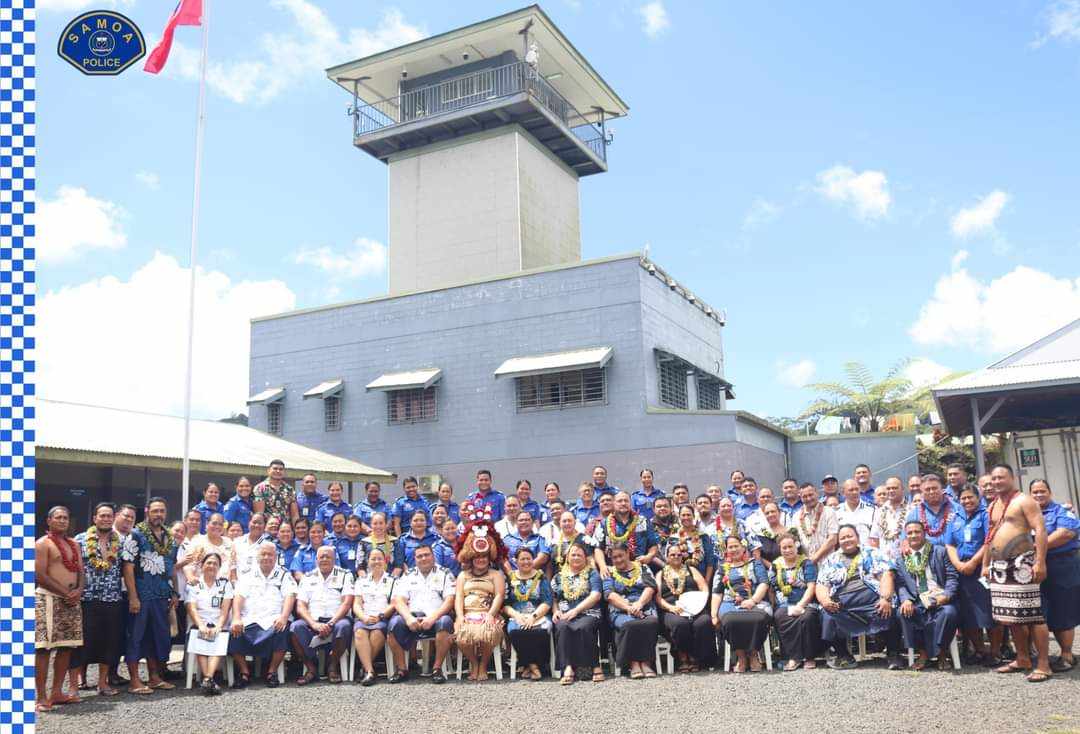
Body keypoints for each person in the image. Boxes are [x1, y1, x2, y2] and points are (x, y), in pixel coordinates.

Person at [816, 524, 901, 670]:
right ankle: (844, 656)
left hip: (871, 599)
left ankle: (893, 654)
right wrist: (825, 600)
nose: (847, 540)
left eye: (850, 536)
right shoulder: (831, 560)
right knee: (826, 615)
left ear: (857, 537)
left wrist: (885, 598)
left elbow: (887, 575)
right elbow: (821, 584)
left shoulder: (872, 553)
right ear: (838, 541)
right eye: (843, 538)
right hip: (843, 603)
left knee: (890, 608)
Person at [121, 497, 179, 694]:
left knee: (157, 637)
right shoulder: (135, 535)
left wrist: (173, 592)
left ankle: (154, 677)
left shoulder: (169, 537)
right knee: (136, 637)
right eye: (155, 511)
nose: (159, 515)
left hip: (161, 595)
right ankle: (135, 680)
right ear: (147, 511)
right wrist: (133, 597)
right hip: (142, 595)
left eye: (162, 511)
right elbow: (127, 567)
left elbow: (170, 568)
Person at [944, 484, 1001, 666]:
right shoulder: (955, 517)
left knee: (990, 612)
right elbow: (949, 544)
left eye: (970, 497)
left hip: (982, 569)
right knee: (968, 614)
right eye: (963, 498)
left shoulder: (986, 515)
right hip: (961, 570)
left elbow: (989, 541)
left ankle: (995, 652)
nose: (967, 501)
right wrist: (959, 564)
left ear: (978, 497)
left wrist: (973, 563)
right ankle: (980, 651)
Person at [71, 503, 124, 697]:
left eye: (109, 516)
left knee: (109, 642)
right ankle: (75, 686)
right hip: (87, 598)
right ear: (94, 518)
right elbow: (73, 568)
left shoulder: (120, 541)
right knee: (82, 642)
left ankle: (102, 683)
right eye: (102, 515)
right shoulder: (80, 540)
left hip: (112, 598)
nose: (106, 519)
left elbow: (125, 569)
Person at [35, 506, 85, 712]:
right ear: (49, 521)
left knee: (66, 647)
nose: (63, 521)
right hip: (48, 599)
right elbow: (41, 576)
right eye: (58, 518)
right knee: (44, 648)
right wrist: (66, 593)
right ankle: (41, 697)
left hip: (72, 600)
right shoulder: (42, 543)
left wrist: (79, 590)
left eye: (65, 517)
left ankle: (57, 692)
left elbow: (81, 572)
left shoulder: (74, 544)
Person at [229, 543, 296, 688]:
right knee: (233, 631)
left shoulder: (284, 575)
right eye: (263, 554)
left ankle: (271, 672)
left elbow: (290, 596)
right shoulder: (247, 575)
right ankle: (244, 672)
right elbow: (238, 597)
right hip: (250, 618)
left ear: (275, 557)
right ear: (257, 557)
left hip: (274, 618)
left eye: (270, 554)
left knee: (283, 629)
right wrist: (236, 617)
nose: (266, 557)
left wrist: (284, 617)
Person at [1029, 478, 1079, 672]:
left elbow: (1067, 533)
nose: (1039, 495)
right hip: (1035, 566)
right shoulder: (1028, 514)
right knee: (1041, 611)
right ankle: (1042, 655)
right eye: (1035, 492)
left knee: (1063, 610)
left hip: (1061, 564)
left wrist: (1037, 546)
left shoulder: (1062, 511)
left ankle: (1067, 654)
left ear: (1050, 492)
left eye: (1042, 491)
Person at [895, 520, 960, 670]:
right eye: (910, 533)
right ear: (906, 536)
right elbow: (901, 584)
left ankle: (942, 654)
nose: (913, 535)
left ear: (924, 533)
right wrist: (905, 600)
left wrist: (947, 595)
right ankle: (923, 653)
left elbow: (952, 576)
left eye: (917, 532)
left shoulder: (939, 551)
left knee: (949, 613)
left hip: (940, 597)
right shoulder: (901, 559)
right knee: (902, 613)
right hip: (917, 599)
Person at [388, 544, 455, 683]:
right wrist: (408, 618)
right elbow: (399, 600)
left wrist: (432, 618)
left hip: (436, 617)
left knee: (446, 622)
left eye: (426, 555)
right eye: (419, 556)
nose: (423, 558)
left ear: (433, 556)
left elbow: (450, 601)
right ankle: (402, 669)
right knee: (393, 624)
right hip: (412, 618)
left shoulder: (445, 573)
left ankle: (436, 669)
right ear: (415, 558)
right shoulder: (408, 574)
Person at [289, 545, 355, 684]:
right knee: (295, 627)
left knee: (343, 627)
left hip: (337, 619)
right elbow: (300, 606)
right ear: (316, 560)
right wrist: (314, 624)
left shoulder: (345, 575)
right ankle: (311, 668)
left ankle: (332, 666)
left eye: (328, 556)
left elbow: (346, 603)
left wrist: (331, 623)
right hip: (313, 621)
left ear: (335, 559)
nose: (324, 559)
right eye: (321, 557)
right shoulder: (307, 577)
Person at [712, 536, 771, 672]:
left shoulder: (755, 563)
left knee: (758, 618)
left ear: (743, 547)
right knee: (730, 620)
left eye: (736, 546)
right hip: (730, 603)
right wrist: (714, 614)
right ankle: (741, 657)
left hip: (755, 600)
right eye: (730, 547)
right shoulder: (722, 568)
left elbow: (764, 583)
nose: (734, 549)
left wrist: (752, 601)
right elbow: (717, 592)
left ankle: (753, 655)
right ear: (726, 550)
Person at [655, 541, 713, 672]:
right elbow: (658, 597)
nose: (676, 557)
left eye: (679, 554)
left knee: (704, 622)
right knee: (680, 624)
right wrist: (670, 608)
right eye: (672, 554)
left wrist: (699, 604)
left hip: (695, 608)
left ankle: (697, 657)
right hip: (671, 609)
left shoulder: (691, 570)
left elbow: (704, 587)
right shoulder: (660, 574)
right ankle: (682, 658)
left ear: (683, 556)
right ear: (667, 557)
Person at [604, 543, 659, 678]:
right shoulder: (609, 572)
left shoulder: (642, 568)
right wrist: (629, 608)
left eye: (620, 556)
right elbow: (609, 594)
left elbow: (650, 587)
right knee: (629, 624)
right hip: (620, 609)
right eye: (614, 558)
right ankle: (633, 663)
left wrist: (639, 604)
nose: (618, 560)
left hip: (644, 606)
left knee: (650, 623)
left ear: (628, 553)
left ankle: (646, 663)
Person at [552, 542, 605, 684]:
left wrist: (575, 610)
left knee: (583, 627)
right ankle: (568, 667)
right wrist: (555, 611)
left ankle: (593, 665)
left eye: (579, 555)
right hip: (565, 613)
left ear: (585, 558)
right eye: (573, 555)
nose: (576, 557)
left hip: (588, 612)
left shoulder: (592, 573)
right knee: (562, 627)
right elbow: (554, 598)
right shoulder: (558, 576)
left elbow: (596, 596)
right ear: (567, 557)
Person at [454, 542, 506, 681]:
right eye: (477, 556)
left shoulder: (496, 574)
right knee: (461, 637)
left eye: (484, 557)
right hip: (467, 614)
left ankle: (483, 665)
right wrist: (459, 616)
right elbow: (459, 596)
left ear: (489, 559)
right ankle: (474, 663)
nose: (481, 559)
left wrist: (491, 614)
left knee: (489, 633)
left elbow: (499, 595)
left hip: (488, 613)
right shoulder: (462, 575)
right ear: (471, 558)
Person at [770, 532, 822, 671]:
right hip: (784, 603)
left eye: (790, 546)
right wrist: (772, 605)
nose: (787, 550)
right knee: (780, 616)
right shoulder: (775, 565)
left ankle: (809, 657)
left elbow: (812, 586)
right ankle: (793, 657)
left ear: (796, 546)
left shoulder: (807, 563)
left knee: (808, 617)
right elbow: (772, 588)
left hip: (806, 602)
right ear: (780, 549)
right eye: (784, 548)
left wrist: (800, 605)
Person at [184, 552, 233, 695]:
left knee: (219, 637)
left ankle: (207, 679)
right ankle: (209, 680)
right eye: (209, 563)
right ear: (202, 565)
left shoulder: (225, 584)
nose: (211, 566)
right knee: (201, 635)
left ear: (219, 567)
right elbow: (191, 608)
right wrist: (200, 625)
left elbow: (225, 609)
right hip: (199, 622)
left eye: (215, 564)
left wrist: (219, 626)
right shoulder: (194, 584)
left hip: (219, 622)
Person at [504, 546, 553, 680]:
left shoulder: (541, 576)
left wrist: (533, 616)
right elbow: (505, 604)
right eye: (522, 559)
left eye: (529, 559)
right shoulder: (510, 577)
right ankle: (533, 666)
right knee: (515, 631)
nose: (526, 562)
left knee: (541, 630)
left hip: (539, 614)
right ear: (516, 561)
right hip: (517, 615)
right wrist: (517, 615)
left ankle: (532, 665)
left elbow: (547, 601)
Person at [351, 547, 396, 685]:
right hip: (364, 617)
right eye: (373, 559)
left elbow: (394, 603)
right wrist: (363, 617)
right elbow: (356, 604)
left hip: (382, 618)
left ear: (385, 561)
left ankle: (364, 668)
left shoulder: (393, 580)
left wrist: (380, 616)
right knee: (359, 632)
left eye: (379, 559)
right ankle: (370, 671)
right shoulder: (361, 581)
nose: (376, 562)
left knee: (377, 633)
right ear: (368, 562)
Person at [593, 491, 658, 577]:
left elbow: (653, 545)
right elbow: (598, 548)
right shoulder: (604, 524)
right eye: (620, 501)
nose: (623, 503)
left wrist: (648, 557)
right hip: (613, 570)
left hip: (639, 569)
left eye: (626, 501)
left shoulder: (643, 521)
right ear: (614, 504)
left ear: (630, 503)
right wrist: (602, 566)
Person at [669, 504, 715, 586]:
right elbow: (669, 561)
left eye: (688, 515)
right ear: (679, 517)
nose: (686, 517)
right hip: (680, 579)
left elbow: (710, 561)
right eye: (683, 515)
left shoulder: (703, 536)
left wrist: (707, 581)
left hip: (702, 578)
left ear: (693, 516)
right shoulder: (673, 538)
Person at [184, 513, 236, 583]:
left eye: (220, 524)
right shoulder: (197, 541)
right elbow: (188, 566)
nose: (217, 527)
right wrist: (191, 578)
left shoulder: (229, 543)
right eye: (214, 523)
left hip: (224, 587)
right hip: (202, 586)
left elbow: (233, 566)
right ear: (207, 524)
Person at [906, 474, 956, 548]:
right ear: (922, 492)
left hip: (953, 554)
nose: (931, 492)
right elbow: (906, 538)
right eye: (927, 489)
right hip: (926, 555)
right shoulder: (914, 513)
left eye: (934, 488)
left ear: (942, 489)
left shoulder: (956, 508)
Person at [794, 483, 839, 565]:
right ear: (800, 498)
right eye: (804, 496)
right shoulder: (796, 516)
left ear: (817, 493)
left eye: (811, 495)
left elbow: (833, 539)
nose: (808, 498)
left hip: (828, 562)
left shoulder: (829, 512)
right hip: (806, 565)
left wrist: (815, 558)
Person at [869, 476, 907, 564]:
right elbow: (874, 539)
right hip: (885, 562)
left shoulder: (911, 509)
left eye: (894, 488)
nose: (891, 491)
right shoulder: (879, 512)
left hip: (907, 559)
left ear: (902, 489)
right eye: (888, 488)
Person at [359, 512, 403, 577]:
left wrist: (391, 581)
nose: (378, 526)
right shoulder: (364, 542)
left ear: (386, 524)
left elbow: (399, 565)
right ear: (371, 525)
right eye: (375, 523)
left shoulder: (395, 541)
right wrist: (366, 581)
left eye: (381, 523)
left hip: (390, 581)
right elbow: (360, 566)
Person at [253, 459, 296, 523]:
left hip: (285, 529)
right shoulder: (260, 488)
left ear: (284, 472)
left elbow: (294, 515)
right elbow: (259, 515)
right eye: (275, 468)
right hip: (268, 528)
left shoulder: (290, 489)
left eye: (281, 469)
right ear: (268, 471)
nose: (278, 471)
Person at [747, 501, 789, 566]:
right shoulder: (760, 534)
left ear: (779, 513)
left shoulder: (789, 532)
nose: (770, 514)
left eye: (773, 511)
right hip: (768, 571)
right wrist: (773, 568)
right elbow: (758, 555)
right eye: (767, 513)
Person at [836, 479, 875, 544]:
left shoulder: (872, 510)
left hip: (866, 551)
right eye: (851, 490)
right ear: (843, 493)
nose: (855, 492)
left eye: (857, 489)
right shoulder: (836, 512)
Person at [234, 513, 269, 578]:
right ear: (249, 523)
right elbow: (232, 564)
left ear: (265, 526)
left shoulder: (268, 546)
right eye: (254, 522)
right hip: (238, 584)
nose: (256, 525)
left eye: (260, 523)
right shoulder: (237, 542)